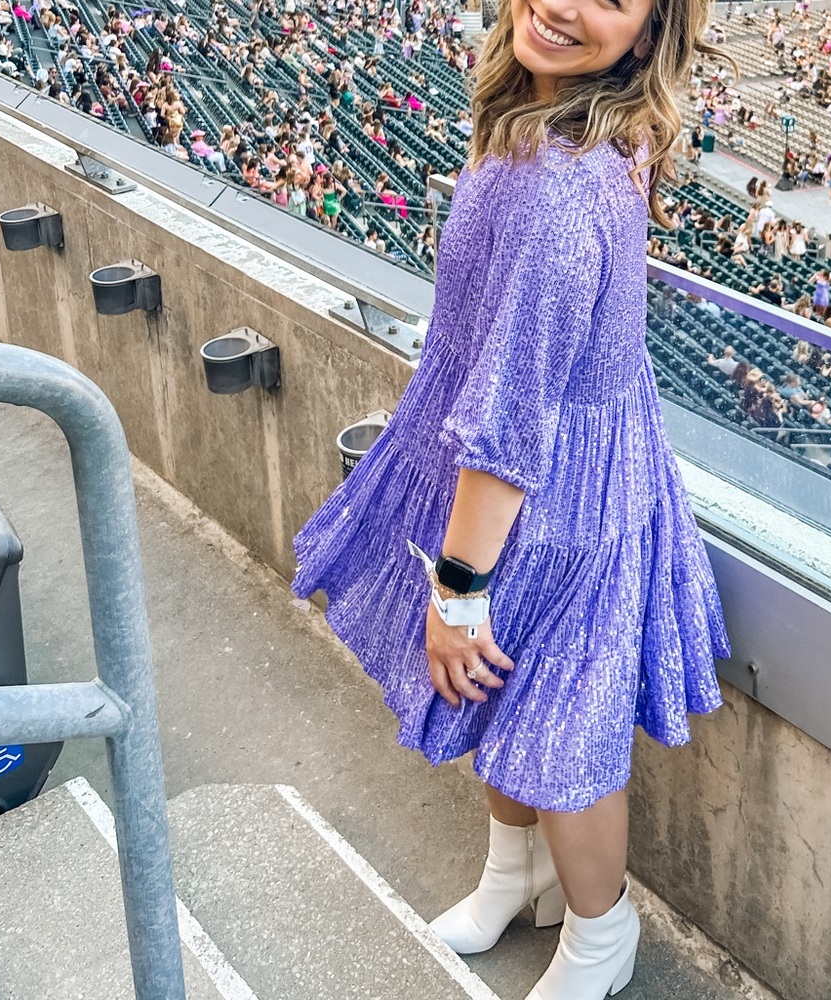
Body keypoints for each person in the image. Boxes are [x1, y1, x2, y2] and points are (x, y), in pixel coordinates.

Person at [290, 0, 731, 995]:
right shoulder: (563, 121)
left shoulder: (555, 191)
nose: (568, 5)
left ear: (647, 31)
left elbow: (513, 417)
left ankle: (599, 933)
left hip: (555, 502)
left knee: (558, 736)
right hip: (562, 473)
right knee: (503, 693)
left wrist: (456, 590)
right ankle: (513, 875)